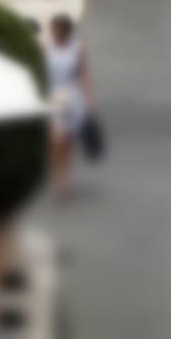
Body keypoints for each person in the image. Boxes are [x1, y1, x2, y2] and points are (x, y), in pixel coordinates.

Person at [46, 13, 96, 201]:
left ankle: (64, 181)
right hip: (54, 96)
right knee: (55, 140)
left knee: (67, 142)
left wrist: (89, 101)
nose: (52, 32)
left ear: (64, 31)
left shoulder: (77, 49)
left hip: (72, 96)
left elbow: (83, 74)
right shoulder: (47, 47)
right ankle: (56, 175)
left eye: (55, 29)